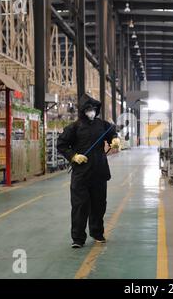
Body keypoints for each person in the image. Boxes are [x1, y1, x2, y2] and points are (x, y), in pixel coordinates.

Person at [57, 94, 121, 248]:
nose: (91, 112)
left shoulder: (102, 125)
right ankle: (78, 238)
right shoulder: (74, 127)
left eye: (93, 109)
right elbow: (62, 144)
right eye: (88, 109)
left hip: (99, 172)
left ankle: (97, 233)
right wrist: (73, 156)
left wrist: (115, 139)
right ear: (83, 111)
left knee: (99, 205)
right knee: (80, 206)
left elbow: (112, 131)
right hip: (81, 174)